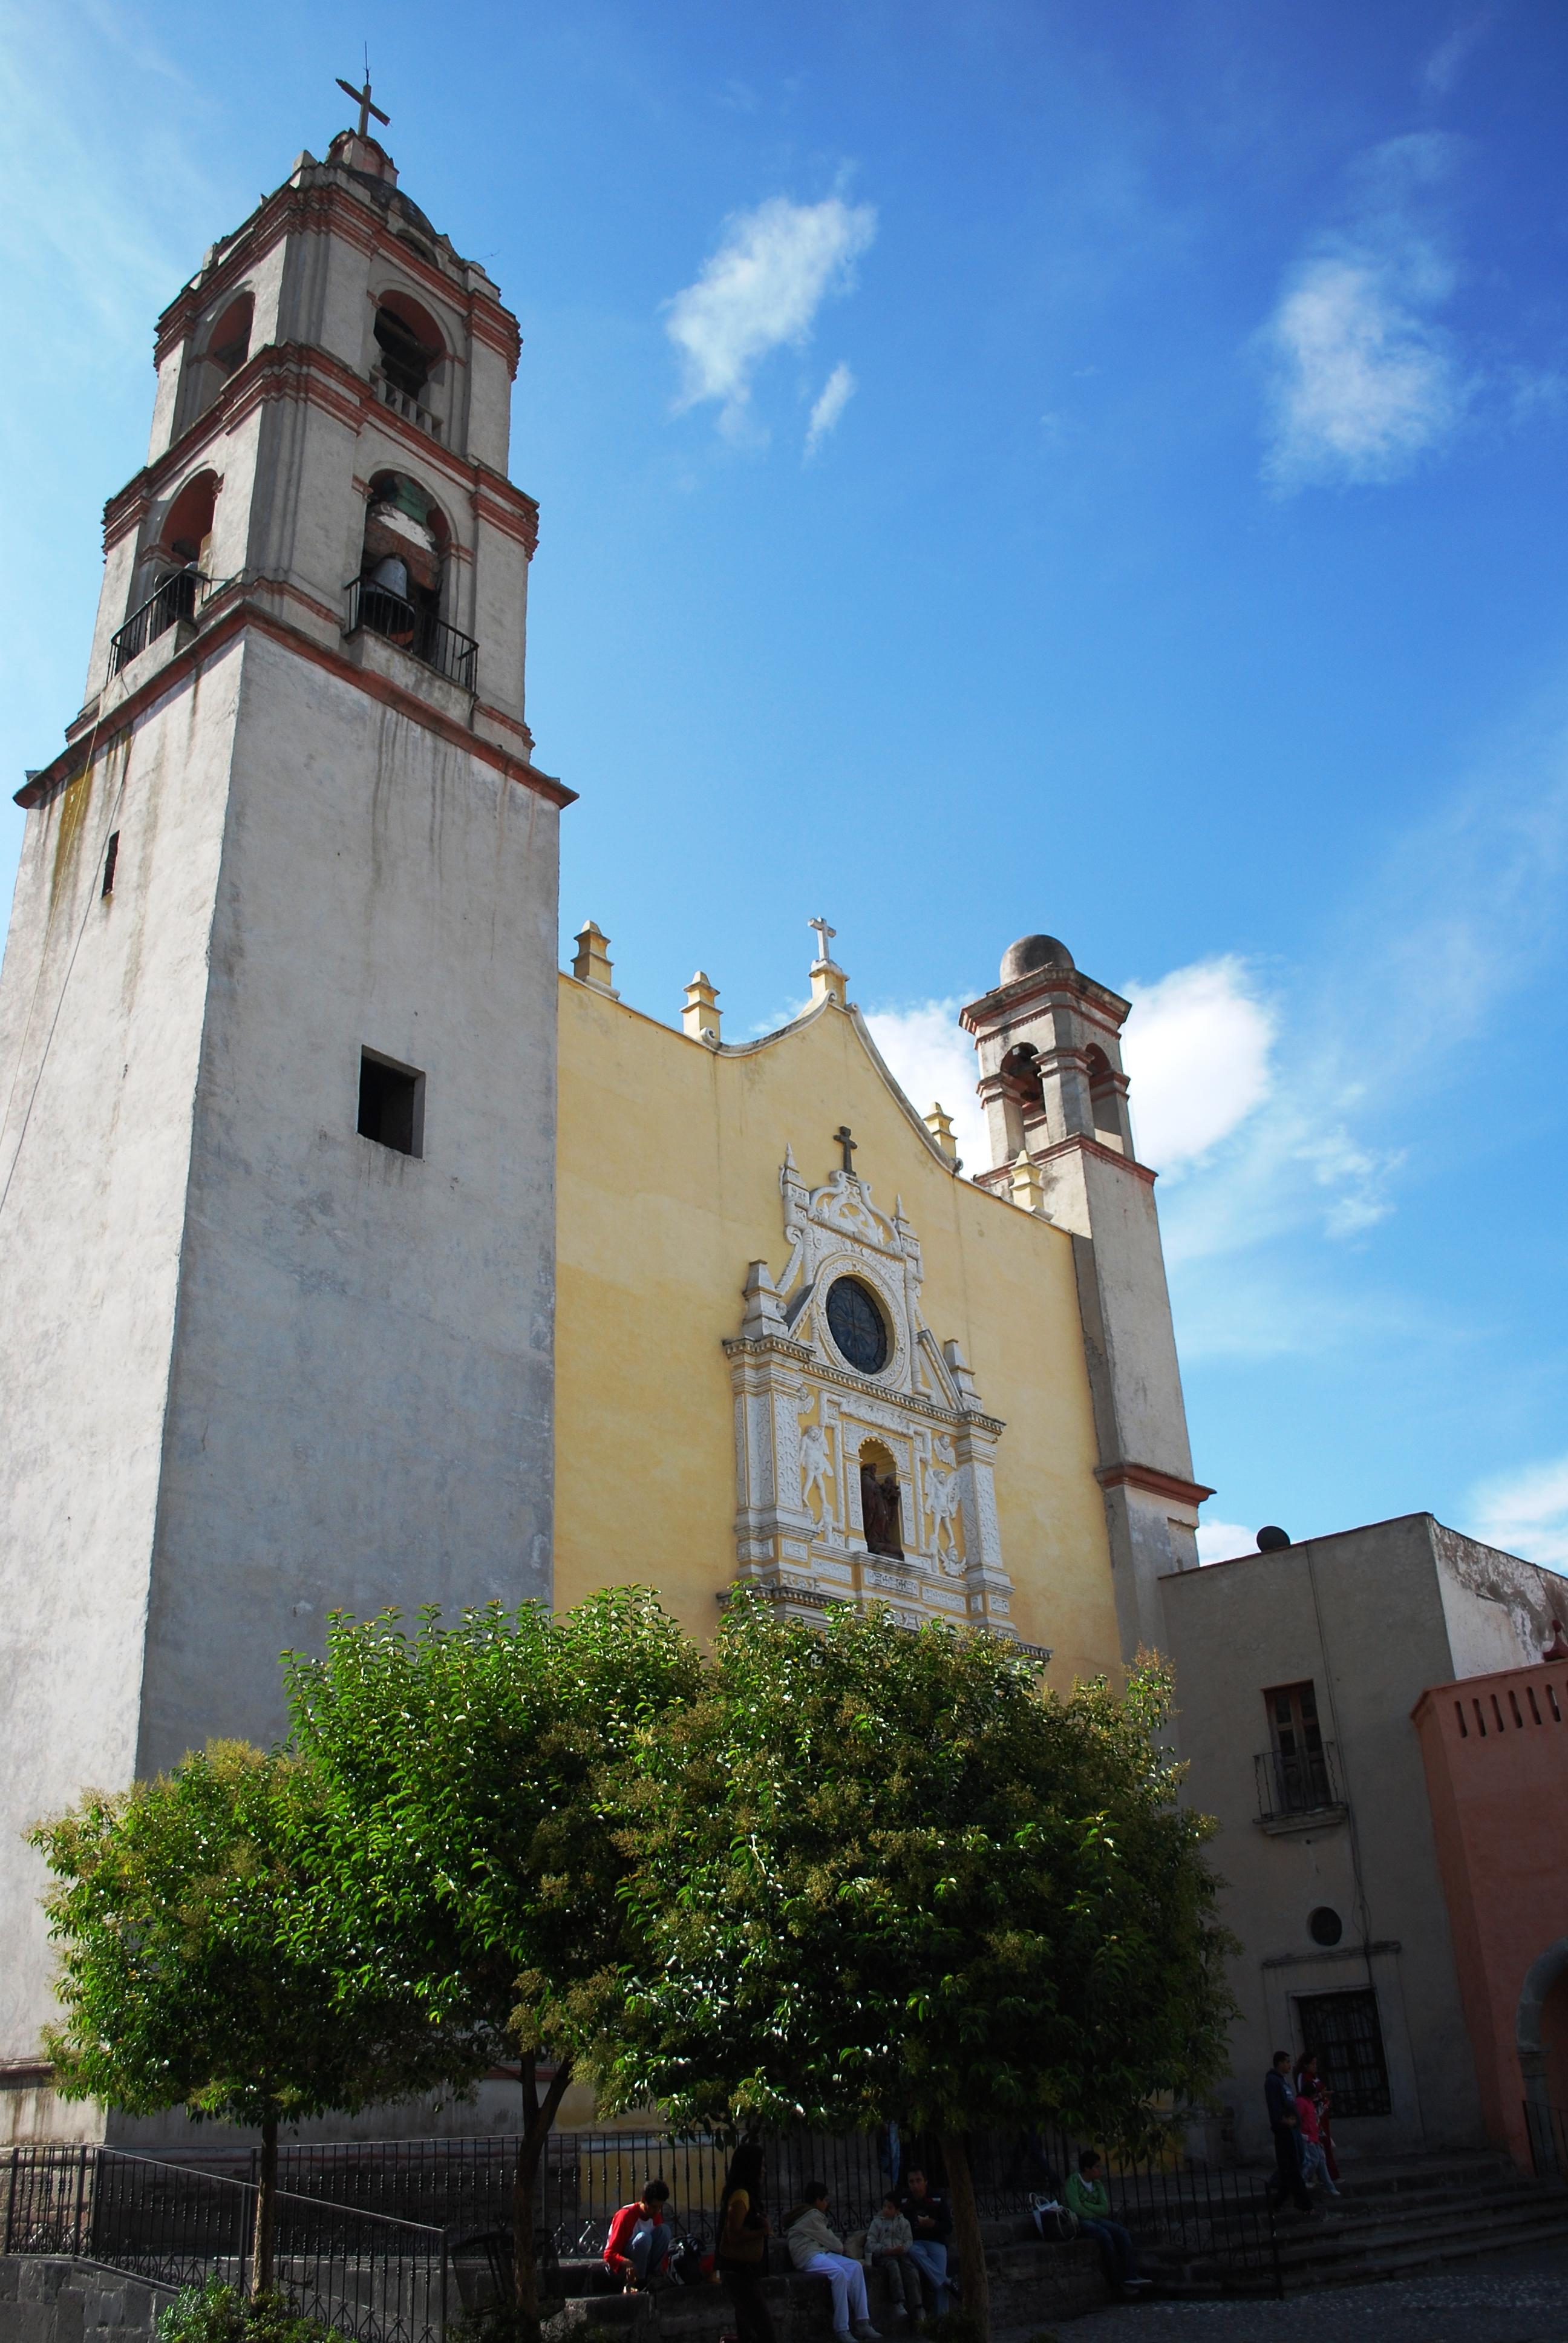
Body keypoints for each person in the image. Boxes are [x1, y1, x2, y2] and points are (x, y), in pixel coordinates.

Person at [785, 2183, 881, 2343]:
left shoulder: (809, 2215)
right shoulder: (812, 2216)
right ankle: (842, 2329)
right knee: (838, 2273)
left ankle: (863, 2321)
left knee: (856, 2267)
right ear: (818, 2200)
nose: (827, 2204)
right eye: (825, 2200)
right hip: (808, 2256)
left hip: (819, 2252)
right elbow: (835, 2243)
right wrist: (842, 2248)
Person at [1063, 2150, 1149, 2295]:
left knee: (1122, 2233)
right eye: (1097, 2167)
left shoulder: (1097, 2185)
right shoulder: (1074, 2182)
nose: (1099, 2170)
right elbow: (1076, 2207)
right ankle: (1116, 2277)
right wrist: (1091, 2211)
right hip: (1081, 2220)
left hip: (1096, 2218)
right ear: (1087, 2168)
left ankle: (1131, 2274)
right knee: (1104, 2235)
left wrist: (1087, 2205)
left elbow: (1104, 2209)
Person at [716, 2144, 777, 2343]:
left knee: (747, 2333)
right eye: (761, 2165)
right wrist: (763, 2231)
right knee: (765, 2331)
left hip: (745, 2271)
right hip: (739, 2272)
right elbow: (734, 2235)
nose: (763, 2170)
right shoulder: (741, 2196)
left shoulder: (744, 2194)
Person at [897, 2169, 953, 2316]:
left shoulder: (937, 2198)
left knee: (939, 2279)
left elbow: (948, 2227)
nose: (915, 2185)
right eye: (912, 2182)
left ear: (925, 2181)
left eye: (918, 2181)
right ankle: (946, 2281)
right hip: (916, 2243)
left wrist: (933, 2224)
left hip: (936, 2242)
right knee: (913, 2250)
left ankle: (943, 2318)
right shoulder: (904, 2200)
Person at [1264, 2051, 1313, 2214]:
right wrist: (1282, 2121)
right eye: (1286, 2062)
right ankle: (1305, 2204)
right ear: (1279, 2063)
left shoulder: (1283, 2081)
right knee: (1291, 2168)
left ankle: (1278, 2202)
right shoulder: (1272, 2081)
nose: (1289, 2065)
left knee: (1290, 2169)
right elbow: (1275, 2105)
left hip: (1292, 2128)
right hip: (1285, 2130)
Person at [604, 2178, 674, 2290]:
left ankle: (652, 2277)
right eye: (654, 2207)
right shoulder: (625, 2216)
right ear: (644, 2200)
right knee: (644, 2239)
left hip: (644, 2266)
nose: (657, 2211)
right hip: (621, 2270)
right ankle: (638, 2283)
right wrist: (626, 2262)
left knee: (665, 2231)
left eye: (660, 2207)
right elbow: (609, 2254)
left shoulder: (656, 2217)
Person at [864, 2194, 923, 2326]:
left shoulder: (904, 2223)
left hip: (900, 2254)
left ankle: (917, 2306)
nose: (886, 2210)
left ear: (897, 2210)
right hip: (884, 2256)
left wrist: (903, 2248)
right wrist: (885, 2250)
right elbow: (870, 2243)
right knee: (894, 2268)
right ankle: (899, 2302)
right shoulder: (877, 2222)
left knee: (911, 2271)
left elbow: (909, 2240)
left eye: (890, 2208)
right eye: (885, 2207)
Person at [1296, 2055, 1340, 2190]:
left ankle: (1330, 2181)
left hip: (1318, 2118)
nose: (1315, 2067)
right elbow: (1308, 2097)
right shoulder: (1303, 2080)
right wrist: (1321, 2097)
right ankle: (1305, 2178)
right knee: (1314, 2157)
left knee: (1321, 2152)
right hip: (1310, 2124)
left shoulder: (1316, 2078)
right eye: (1313, 2064)